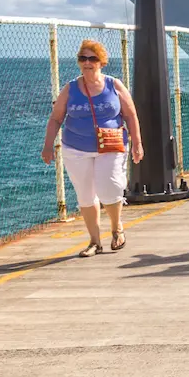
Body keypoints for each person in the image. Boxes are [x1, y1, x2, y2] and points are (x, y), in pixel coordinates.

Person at [42, 40, 144, 257]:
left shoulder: (114, 85)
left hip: (111, 145)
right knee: (85, 195)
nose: (87, 63)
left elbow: (130, 114)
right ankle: (94, 241)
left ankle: (117, 229)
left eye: (92, 59)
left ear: (102, 62)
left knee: (110, 186)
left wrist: (137, 142)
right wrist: (48, 145)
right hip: (76, 148)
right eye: (83, 59)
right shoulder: (70, 88)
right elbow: (56, 118)